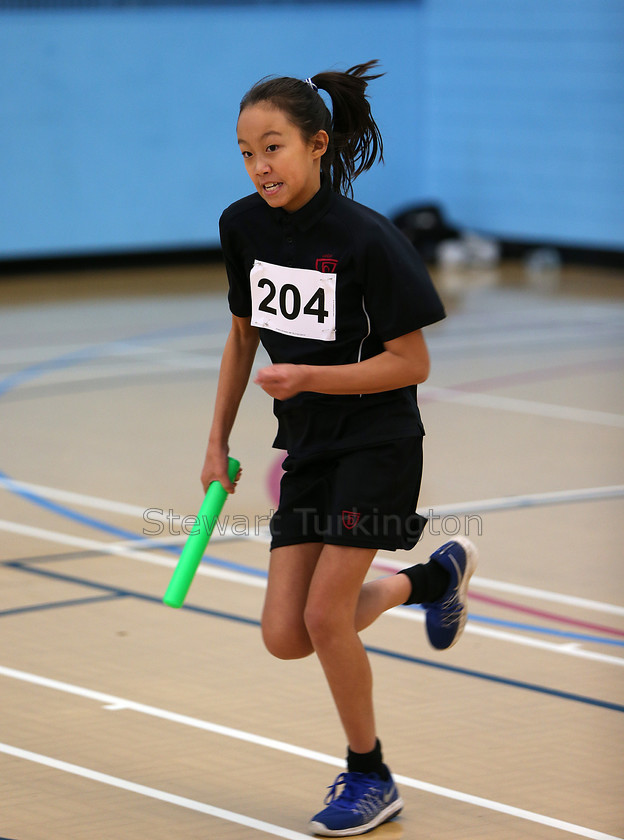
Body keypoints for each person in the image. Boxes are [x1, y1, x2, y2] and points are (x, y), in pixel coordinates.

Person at [201, 60, 477, 837]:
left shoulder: (367, 239)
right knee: (284, 634)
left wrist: (313, 379)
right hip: (308, 448)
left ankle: (370, 775)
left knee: (325, 617)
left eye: (275, 146)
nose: (260, 165)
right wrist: (217, 439)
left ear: (318, 146)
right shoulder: (242, 227)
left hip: (379, 441)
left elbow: (412, 363)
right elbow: (242, 335)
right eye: (247, 151)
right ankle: (429, 579)